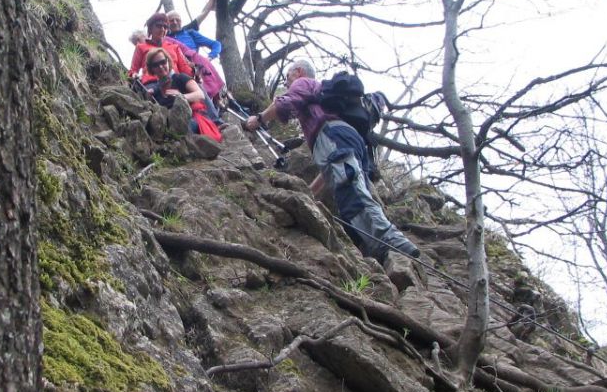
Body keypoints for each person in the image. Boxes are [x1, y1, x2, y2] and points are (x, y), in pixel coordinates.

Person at [244, 59, 419, 264]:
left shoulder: (303, 82)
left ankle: (391, 241)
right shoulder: (322, 99)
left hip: (333, 135)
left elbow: (285, 103)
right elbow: (331, 171)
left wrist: (259, 118)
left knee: (351, 192)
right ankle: (378, 248)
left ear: (298, 72)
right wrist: (308, 194)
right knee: (348, 191)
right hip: (348, 141)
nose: (287, 81)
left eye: (287, 76)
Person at [143, 48, 221, 141]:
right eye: (156, 65)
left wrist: (181, 97)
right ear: (151, 68)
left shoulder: (180, 78)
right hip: (173, 123)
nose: (160, 66)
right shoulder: (156, 91)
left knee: (182, 130)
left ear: (168, 61)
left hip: (194, 118)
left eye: (163, 62)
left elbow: (200, 94)